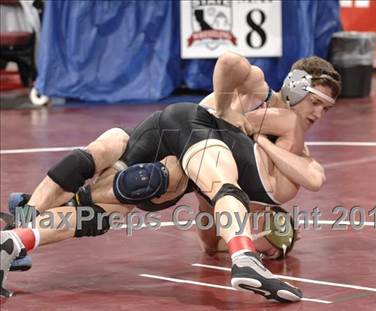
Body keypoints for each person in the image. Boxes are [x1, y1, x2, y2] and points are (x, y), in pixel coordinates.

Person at [1, 52, 341, 302]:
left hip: (174, 145)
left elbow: (312, 179)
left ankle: (17, 234)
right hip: (191, 126)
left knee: (103, 208)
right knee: (191, 176)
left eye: (325, 110)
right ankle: (245, 259)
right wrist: (225, 111)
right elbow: (229, 62)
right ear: (296, 88)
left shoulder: (283, 141)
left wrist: (263, 143)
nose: (318, 114)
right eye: (315, 102)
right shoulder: (261, 95)